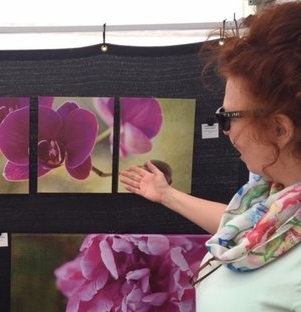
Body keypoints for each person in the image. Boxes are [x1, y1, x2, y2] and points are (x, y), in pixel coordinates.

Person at [120, 2, 301, 311]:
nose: (225, 132)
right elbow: (244, 226)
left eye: (227, 117)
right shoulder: (277, 199)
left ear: (279, 129)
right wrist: (165, 194)